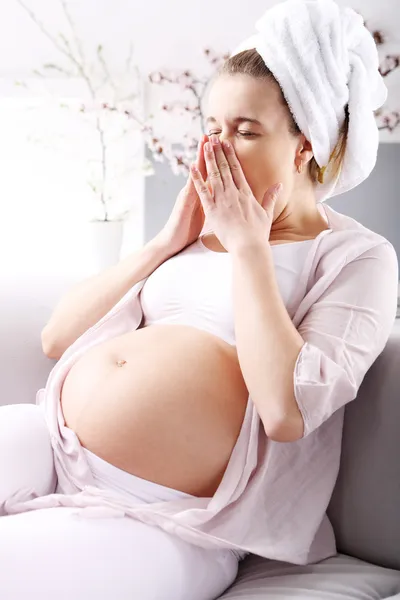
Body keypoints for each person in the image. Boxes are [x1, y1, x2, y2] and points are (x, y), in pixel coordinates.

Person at [0, 1, 398, 599]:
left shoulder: (354, 257)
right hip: (53, 440)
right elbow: (58, 337)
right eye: (211, 127)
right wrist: (164, 242)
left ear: (305, 144)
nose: (219, 148)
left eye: (245, 130)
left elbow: (286, 414)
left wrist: (249, 249)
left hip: (171, 517)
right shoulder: (193, 236)